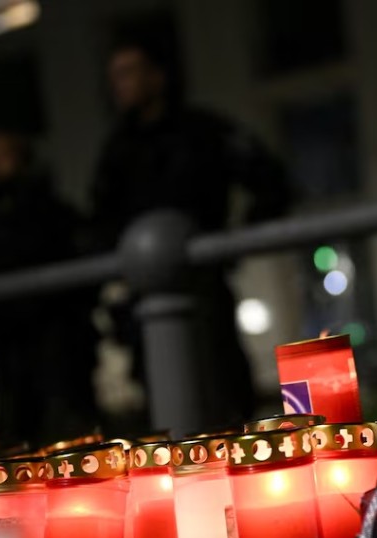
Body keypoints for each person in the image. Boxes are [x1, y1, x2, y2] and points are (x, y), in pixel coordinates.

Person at [88, 35, 291, 426]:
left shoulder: (203, 131)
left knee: (225, 389)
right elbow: (99, 221)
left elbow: (270, 181)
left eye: (129, 72)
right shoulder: (116, 152)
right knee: (162, 405)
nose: (119, 84)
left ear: (157, 76)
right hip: (142, 299)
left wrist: (231, 242)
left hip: (205, 285)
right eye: (114, 75)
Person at [0, 131, 100, 444]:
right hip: (10, 350)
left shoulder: (49, 210)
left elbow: (81, 260)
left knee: (69, 431)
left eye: (3, 155)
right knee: (17, 433)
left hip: (58, 342)